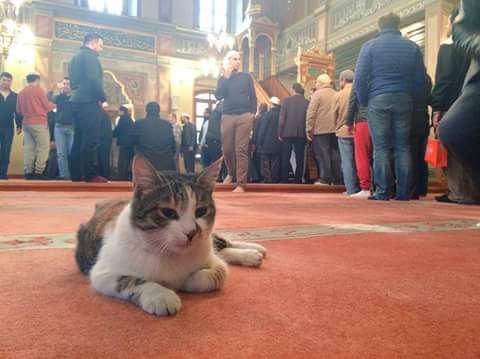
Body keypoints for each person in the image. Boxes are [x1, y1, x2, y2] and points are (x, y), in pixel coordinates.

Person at [355, 12, 426, 200]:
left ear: (379, 26)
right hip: (404, 99)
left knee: (381, 147)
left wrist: (364, 101)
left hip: (378, 98)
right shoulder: (412, 47)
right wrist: (414, 101)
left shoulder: (369, 46)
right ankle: (403, 193)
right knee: (403, 146)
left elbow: (360, 78)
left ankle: (384, 191)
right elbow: (420, 80)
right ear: (397, 25)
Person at [438, 0, 480, 204]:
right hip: (469, 90)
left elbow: (443, 80)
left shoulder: (447, 48)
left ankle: (460, 192)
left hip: (453, 98)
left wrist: (436, 105)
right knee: (454, 130)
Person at [215, 50, 257, 193]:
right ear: (227, 61)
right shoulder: (223, 77)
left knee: (241, 149)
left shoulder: (246, 77)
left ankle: (241, 183)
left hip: (244, 115)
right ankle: (231, 173)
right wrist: (226, 77)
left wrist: (252, 114)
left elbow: (253, 96)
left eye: (238, 58)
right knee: (227, 149)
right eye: (234, 59)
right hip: (227, 115)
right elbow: (219, 95)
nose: (237, 61)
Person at [69, 32, 108, 183]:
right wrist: (102, 99)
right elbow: (94, 79)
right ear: (93, 43)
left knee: (78, 139)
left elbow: (73, 82)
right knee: (91, 139)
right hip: (88, 101)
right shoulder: (90, 57)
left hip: (76, 100)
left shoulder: (75, 57)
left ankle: (76, 175)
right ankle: (90, 175)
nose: (101, 49)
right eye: (100, 45)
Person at [16, 73, 56, 180]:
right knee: (43, 147)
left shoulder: (21, 93)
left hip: (26, 123)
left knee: (29, 148)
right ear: (37, 80)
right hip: (39, 122)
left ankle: (28, 172)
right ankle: (39, 172)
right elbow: (46, 105)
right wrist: (55, 105)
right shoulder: (39, 90)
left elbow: (18, 110)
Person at [306, 74, 342, 185]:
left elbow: (311, 113)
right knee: (335, 154)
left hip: (321, 129)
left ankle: (325, 178)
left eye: (316, 83)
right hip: (335, 129)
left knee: (322, 154)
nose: (316, 85)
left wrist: (309, 128)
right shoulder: (337, 93)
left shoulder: (318, 94)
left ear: (321, 83)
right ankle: (337, 179)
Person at [333, 70, 359, 195]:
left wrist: (337, 127)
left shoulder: (338, 95)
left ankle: (351, 189)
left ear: (343, 80)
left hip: (344, 130)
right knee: (361, 159)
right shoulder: (359, 92)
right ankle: (364, 188)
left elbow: (334, 115)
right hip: (359, 129)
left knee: (347, 161)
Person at [132, 102, 176, 172]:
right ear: (159, 111)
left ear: (146, 111)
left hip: (146, 165)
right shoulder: (167, 124)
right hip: (166, 165)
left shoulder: (139, 123)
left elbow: (133, 143)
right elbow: (173, 146)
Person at [279, 82, 309, 184]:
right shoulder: (307, 102)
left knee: (285, 156)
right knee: (300, 157)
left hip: (287, 133)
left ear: (293, 90)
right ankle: (298, 179)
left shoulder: (286, 101)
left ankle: (284, 179)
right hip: (301, 133)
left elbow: (282, 119)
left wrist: (280, 132)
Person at [345, 85, 372, 199]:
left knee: (362, 156)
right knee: (381, 154)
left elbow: (352, 102)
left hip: (363, 121)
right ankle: (382, 187)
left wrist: (349, 122)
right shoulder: (380, 76)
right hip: (381, 120)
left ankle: (365, 188)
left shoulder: (360, 78)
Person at [50, 77, 74, 180]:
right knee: (61, 154)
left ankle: (74, 175)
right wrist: (52, 88)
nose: (66, 86)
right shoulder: (59, 97)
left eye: (68, 84)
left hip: (73, 127)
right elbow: (48, 98)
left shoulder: (76, 98)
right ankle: (64, 175)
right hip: (59, 127)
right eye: (64, 83)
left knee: (71, 152)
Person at [0, 72, 23, 180]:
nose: (6, 82)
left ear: (11, 82)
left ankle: (3, 174)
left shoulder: (15, 96)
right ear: (0, 80)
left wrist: (19, 125)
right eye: (4, 80)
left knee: (6, 150)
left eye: (8, 80)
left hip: (9, 127)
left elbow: (18, 112)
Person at [257, 97, 282, 183]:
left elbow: (263, 129)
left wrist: (259, 141)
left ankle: (267, 179)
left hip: (266, 143)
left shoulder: (267, 115)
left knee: (265, 163)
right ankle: (275, 180)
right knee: (276, 162)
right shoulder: (281, 114)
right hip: (278, 143)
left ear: (271, 104)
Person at [113, 105, 134, 180]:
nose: (118, 112)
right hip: (130, 144)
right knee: (126, 161)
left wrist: (111, 135)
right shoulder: (129, 119)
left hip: (124, 143)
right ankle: (124, 176)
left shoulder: (123, 118)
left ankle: (121, 177)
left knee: (122, 161)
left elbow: (118, 130)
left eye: (119, 111)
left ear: (122, 111)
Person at [98, 104, 113, 179]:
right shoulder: (105, 115)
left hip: (102, 140)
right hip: (106, 140)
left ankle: (104, 176)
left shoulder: (100, 114)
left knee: (102, 159)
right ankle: (105, 175)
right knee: (104, 158)